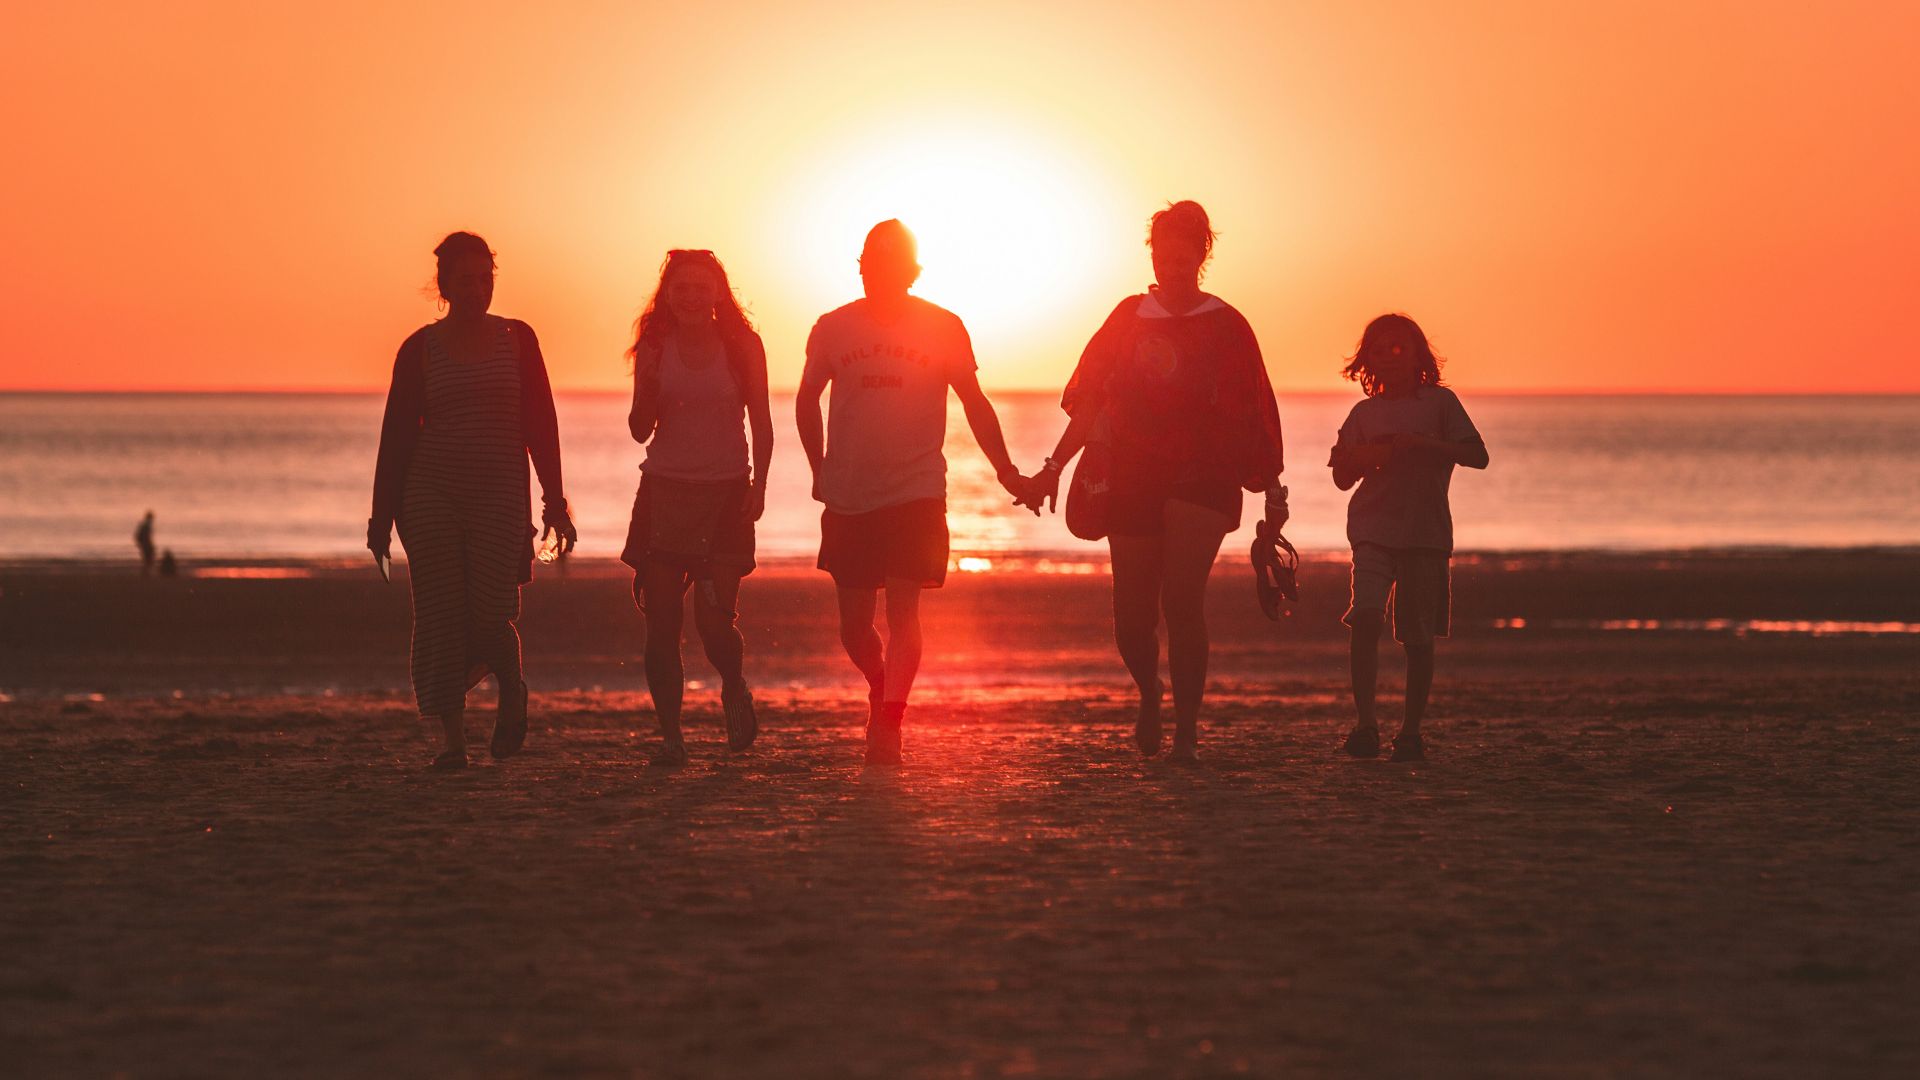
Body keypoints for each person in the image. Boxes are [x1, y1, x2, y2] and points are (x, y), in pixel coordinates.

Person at [1020, 201, 1285, 762]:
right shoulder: (1129, 317)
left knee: (1182, 601)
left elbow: (1254, 408)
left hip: (1205, 474)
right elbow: (1090, 401)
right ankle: (1150, 693)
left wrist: (1272, 486)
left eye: (1183, 244)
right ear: (1152, 251)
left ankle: (1186, 731)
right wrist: (1053, 467)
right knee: (1132, 615)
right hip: (1132, 470)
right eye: (1161, 245)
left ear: (1202, 251)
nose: (1171, 256)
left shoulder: (1228, 324)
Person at [797, 220, 1026, 767]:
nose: (883, 270)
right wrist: (818, 467)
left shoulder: (943, 326)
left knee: (904, 610)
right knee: (854, 626)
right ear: (862, 265)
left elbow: (973, 400)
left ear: (911, 269)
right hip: (849, 493)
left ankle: (891, 721)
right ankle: (881, 686)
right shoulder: (833, 327)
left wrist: (1005, 470)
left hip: (916, 489)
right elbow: (807, 400)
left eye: (895, 261)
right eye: (873, 260)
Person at [368, 232, 576, 770]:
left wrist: (556, 502)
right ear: (444, 285)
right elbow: (396, 436)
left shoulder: (518, 340)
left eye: (487, 278)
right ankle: (452, 741)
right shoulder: (420, 349)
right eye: (467, 280)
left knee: (490, 614)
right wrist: (380, 518)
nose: (479, 289)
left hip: (500, 496)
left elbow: (541, 424)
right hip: (430, 494)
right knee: (439, 616)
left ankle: (512, 686)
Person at [621, 250, 773, 766]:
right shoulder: (655, 346)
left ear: (717, 294)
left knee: (712, 623)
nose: (690, 296)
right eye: (680, 288)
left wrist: (761, 485)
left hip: (727, 492)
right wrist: (647, 391)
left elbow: (763, 421)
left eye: (700, 288)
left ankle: (733, 684)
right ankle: (672, 738)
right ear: (666, 295)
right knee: (661, 624)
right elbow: (640, 428)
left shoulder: (742, 345)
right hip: (664, 492)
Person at [1328, 313, 1489, 763]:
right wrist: (1366, 458)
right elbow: (1341, 476)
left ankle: (1411, 731)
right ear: (1367, 361)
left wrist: (1424, 446)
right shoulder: (1364, 413)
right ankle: (1366, 725)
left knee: (1417, 637)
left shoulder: (1440, 404)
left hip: (1425, 533)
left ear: (1419, 354)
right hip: (1372, 529)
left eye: (1400, 348)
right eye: (1380, 350)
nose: (1391, 358)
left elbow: (1478, 456)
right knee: (1364, 618)